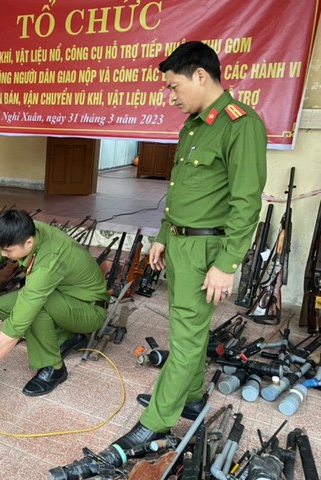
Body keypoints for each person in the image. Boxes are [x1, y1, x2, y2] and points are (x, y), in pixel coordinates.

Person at [112, 41, 267, 449]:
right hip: (181, 244)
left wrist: (228, 263)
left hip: (207, 253)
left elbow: (246, 202)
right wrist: (164, 236)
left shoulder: (240, 124)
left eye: (174, 86)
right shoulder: (195, 127)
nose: (171, 95)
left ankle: (156, 422)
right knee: (187, 328)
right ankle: (194, 397)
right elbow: (182, 191)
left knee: (185, 339)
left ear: (201, 75)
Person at [0, 209, 110, 396]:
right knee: (3, 306)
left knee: (32, 311)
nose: (3, 255)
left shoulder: (48, 262)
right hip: (63, 297)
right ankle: (67, 338)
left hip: (88, 310)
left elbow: (17, 324)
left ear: (28, 242)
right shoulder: (27, 231)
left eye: (7, 251)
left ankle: (54, 368)